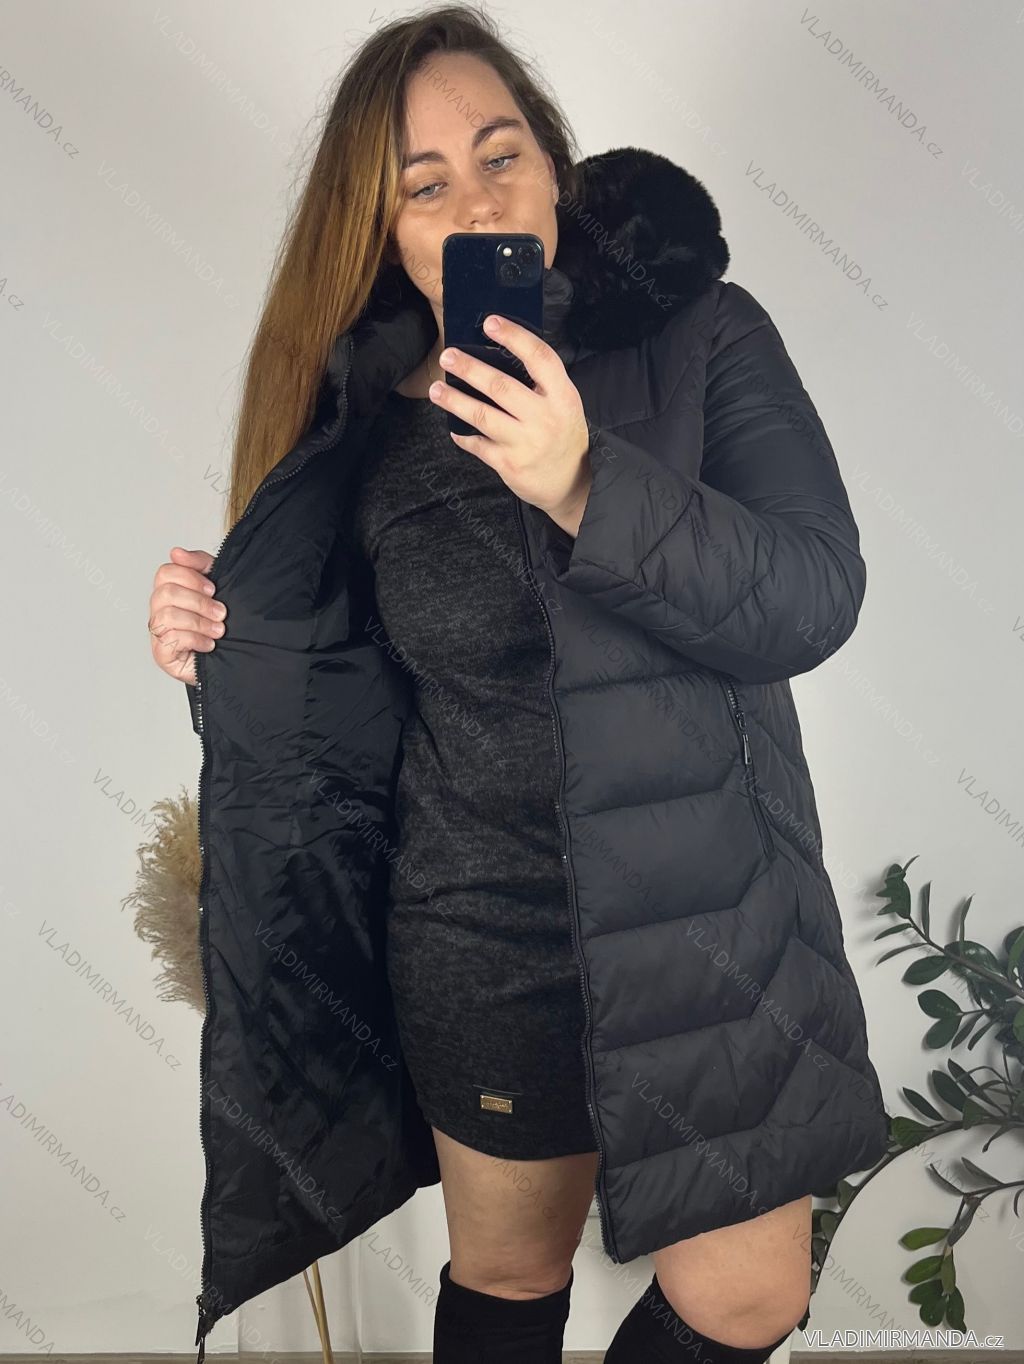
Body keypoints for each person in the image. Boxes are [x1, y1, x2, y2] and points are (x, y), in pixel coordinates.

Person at [146, 6, 890, 1362]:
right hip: (479, 941)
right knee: (506, 1277)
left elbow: (810, 591)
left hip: (706, 927)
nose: (479, 203)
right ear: (385, 232)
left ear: (555, 163)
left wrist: (585, 480)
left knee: (749, 1296)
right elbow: (338, 716)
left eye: (501, 156)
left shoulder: (704, 336)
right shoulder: (355, 421)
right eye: (425, 186)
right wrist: (216, 647)